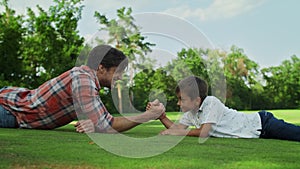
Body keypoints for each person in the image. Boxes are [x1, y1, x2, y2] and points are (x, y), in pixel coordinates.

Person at [0, 45, 165, 133]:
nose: (120, 77)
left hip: (13, 105)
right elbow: (107, 124)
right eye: (118, 72)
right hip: (8, 110)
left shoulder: (87, 81)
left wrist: (93, 124)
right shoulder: (83, 80)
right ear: (102, 68)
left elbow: (98, 120)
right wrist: (148, 115)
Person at [148, 76, 300, 141]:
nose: (179, 104)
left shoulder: (212, 103)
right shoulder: (191, 113)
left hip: (263, 123)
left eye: (182, 99)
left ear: (197, 100)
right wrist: (162, 117)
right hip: (259, 134)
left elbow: (204, 132)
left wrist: (176, 133)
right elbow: (176, 128)